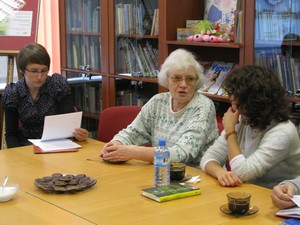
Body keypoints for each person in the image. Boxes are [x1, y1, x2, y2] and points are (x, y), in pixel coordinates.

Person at [100, 48, 218, 167]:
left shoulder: (203, 106)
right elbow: (133, 132)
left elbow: (182, 154)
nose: (183, 84)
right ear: (166, 79)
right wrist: (115, 144)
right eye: (176, 78)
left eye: (190, 79)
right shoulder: (158, 101)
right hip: (163, 171)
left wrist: (133, 152)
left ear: (197, 81)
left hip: (197, 176)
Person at [200, 65, 300, 189]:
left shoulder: (283, 132)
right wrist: (221, 173)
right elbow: (208, 158)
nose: (231, 102)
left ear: (253, 102)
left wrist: (230, 132)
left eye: (235, 98)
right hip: (248, 191)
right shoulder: (243, 119)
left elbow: (242, 172)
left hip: (276, 197)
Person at [2, 43, 88, 148]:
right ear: (21, 69)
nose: (40, 77)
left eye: (44, 71)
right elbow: (11, 134)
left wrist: (78, 134)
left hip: (57, 144)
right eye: (34, 71)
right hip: (25, 146)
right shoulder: (13, 92)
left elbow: (69, 124)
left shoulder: (57, 86)